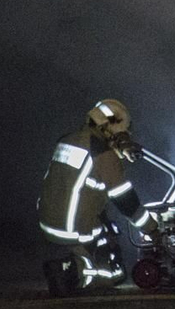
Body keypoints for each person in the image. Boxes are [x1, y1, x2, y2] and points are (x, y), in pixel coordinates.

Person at [37, 99, 158, 292]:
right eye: (121, 134)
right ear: (109, 127)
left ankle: (91, 269)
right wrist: (153, 230)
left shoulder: (69, 139)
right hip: (72, 230)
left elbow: (82, 185)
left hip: (49, 221)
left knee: (107, 232)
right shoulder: (102, 153)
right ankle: (77, 271)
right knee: (110, 256)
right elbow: (125, 200)